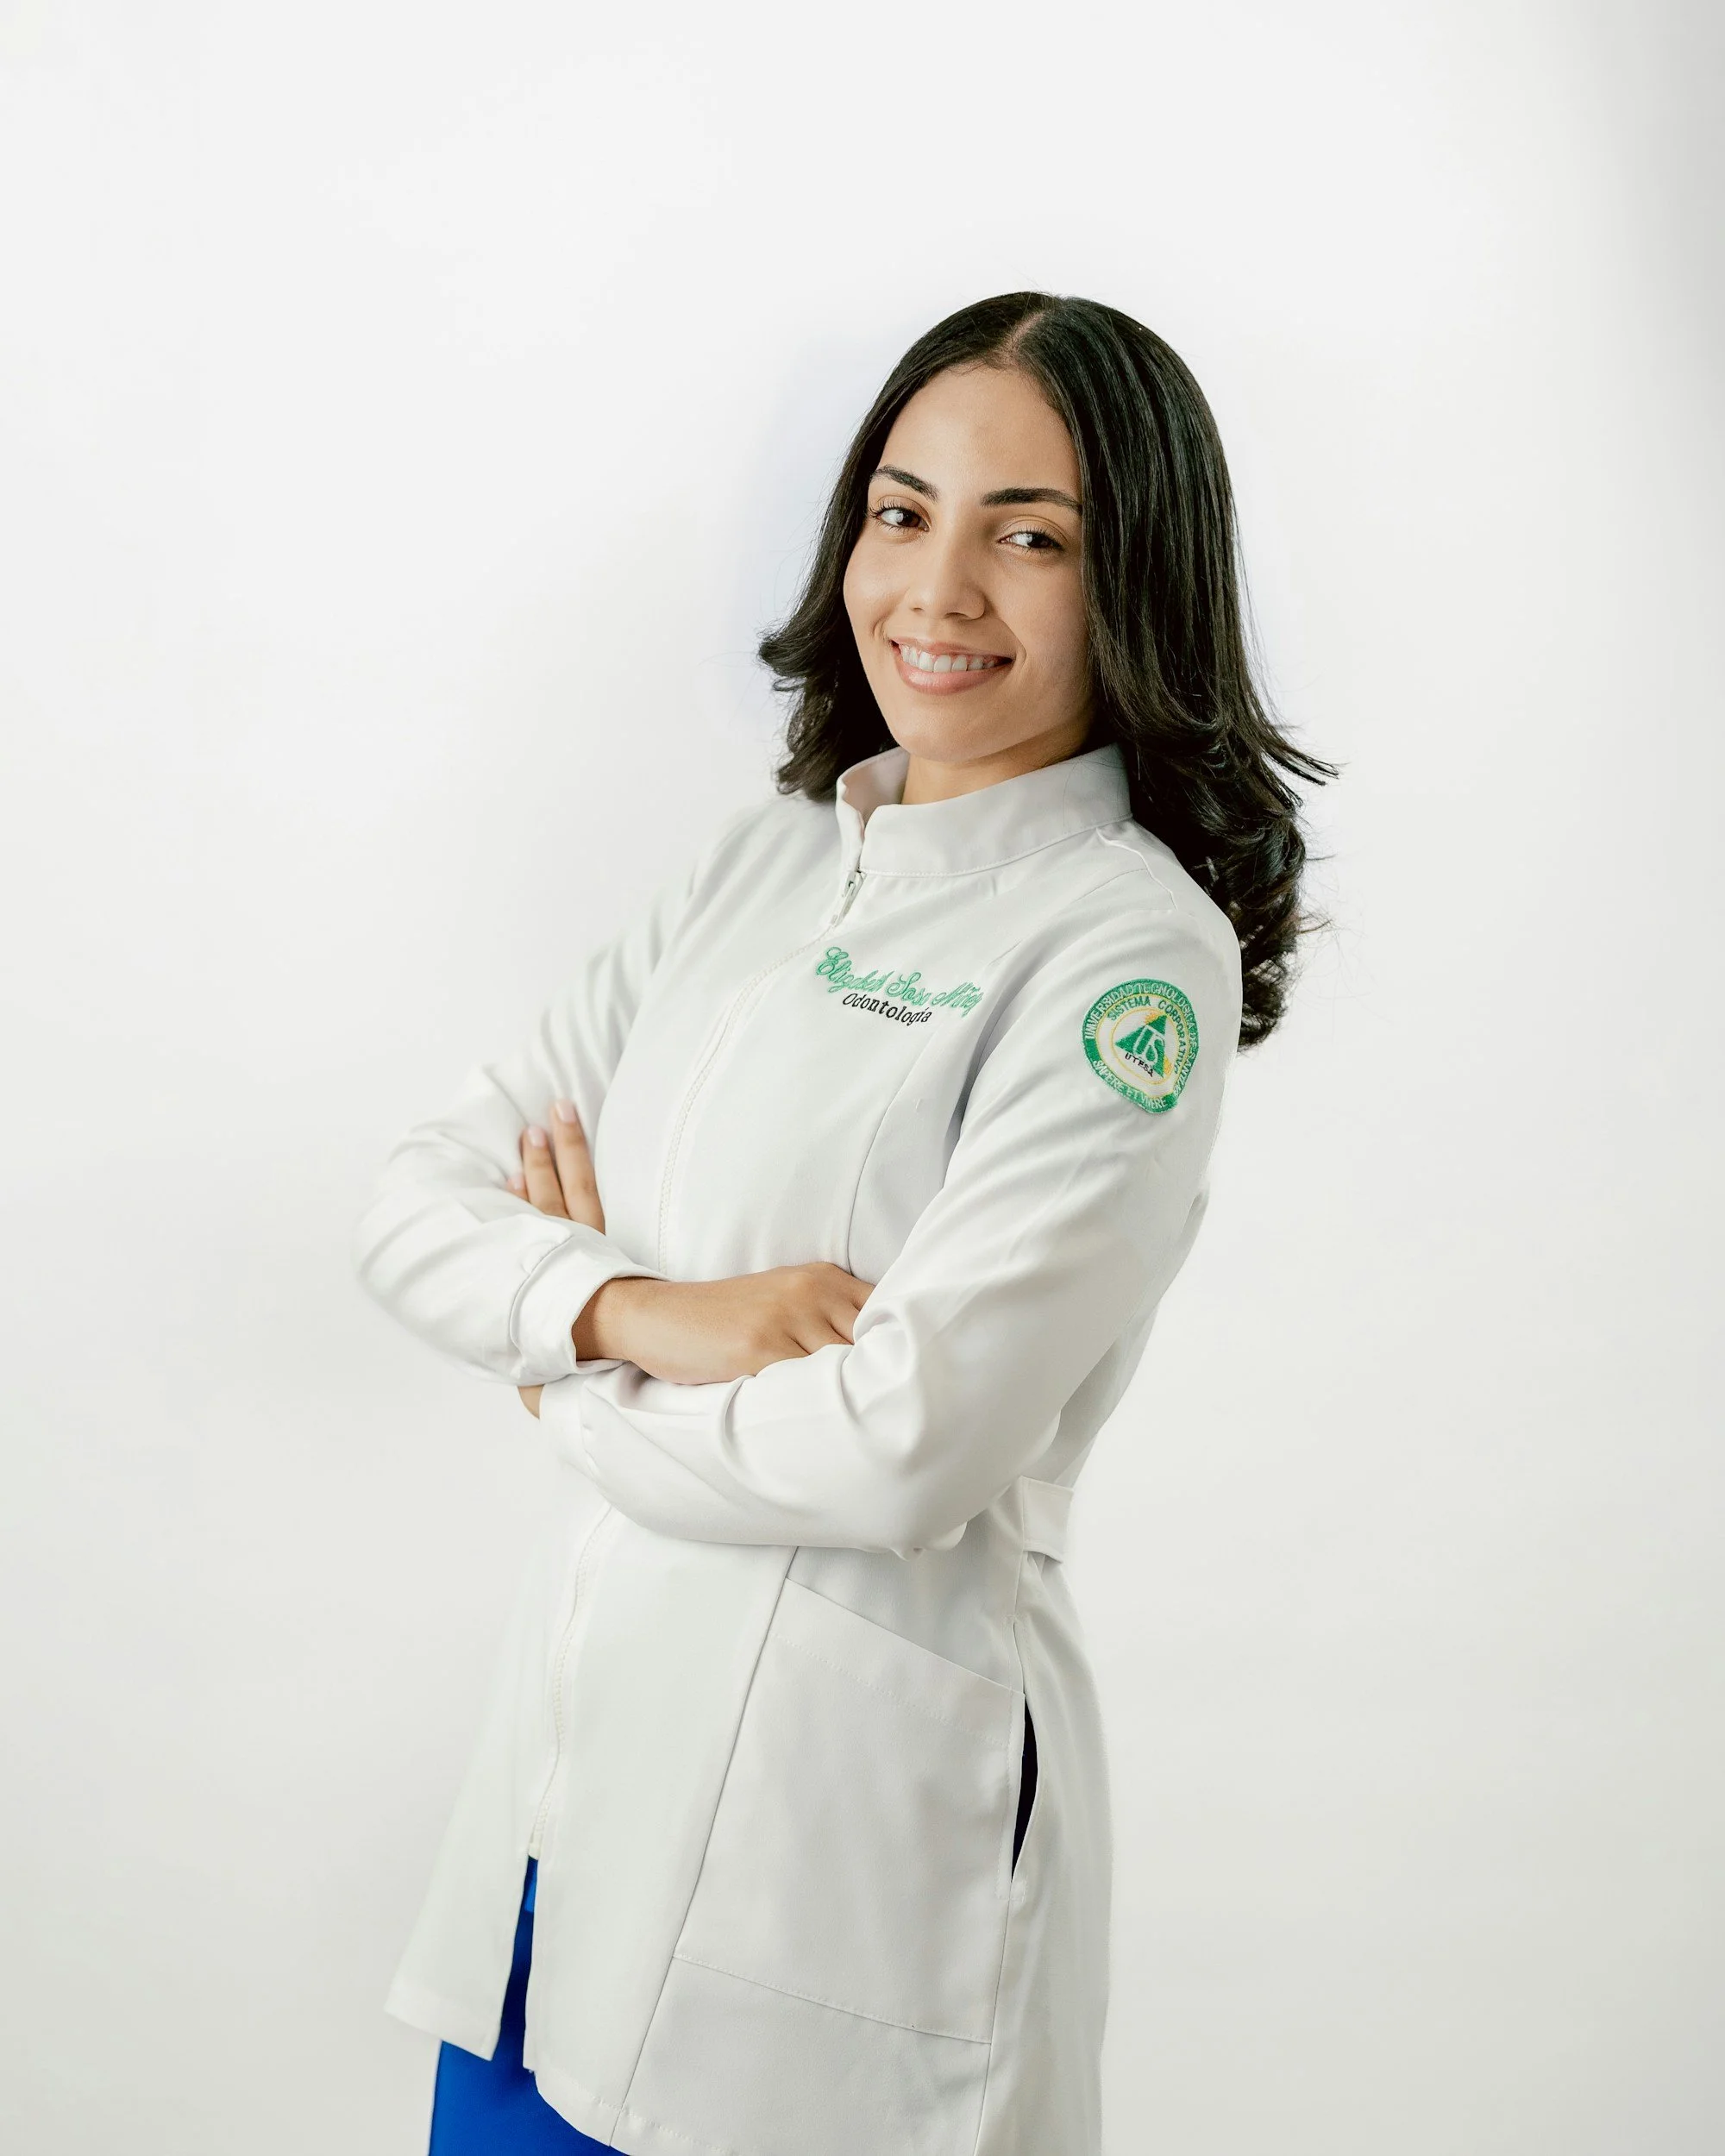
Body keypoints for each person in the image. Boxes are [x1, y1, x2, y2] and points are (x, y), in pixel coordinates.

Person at [354, 290, 1332, 2156]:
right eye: (902, 511)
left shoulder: (1129, 955)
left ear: (1135, 582)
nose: (938, 589)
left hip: (831, 1863)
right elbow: (413, 1201)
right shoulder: (762, 860)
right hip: (561, 1825)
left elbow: (907, 1440)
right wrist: (638, 1311)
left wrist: (557, 1377)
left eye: (1029, 537)